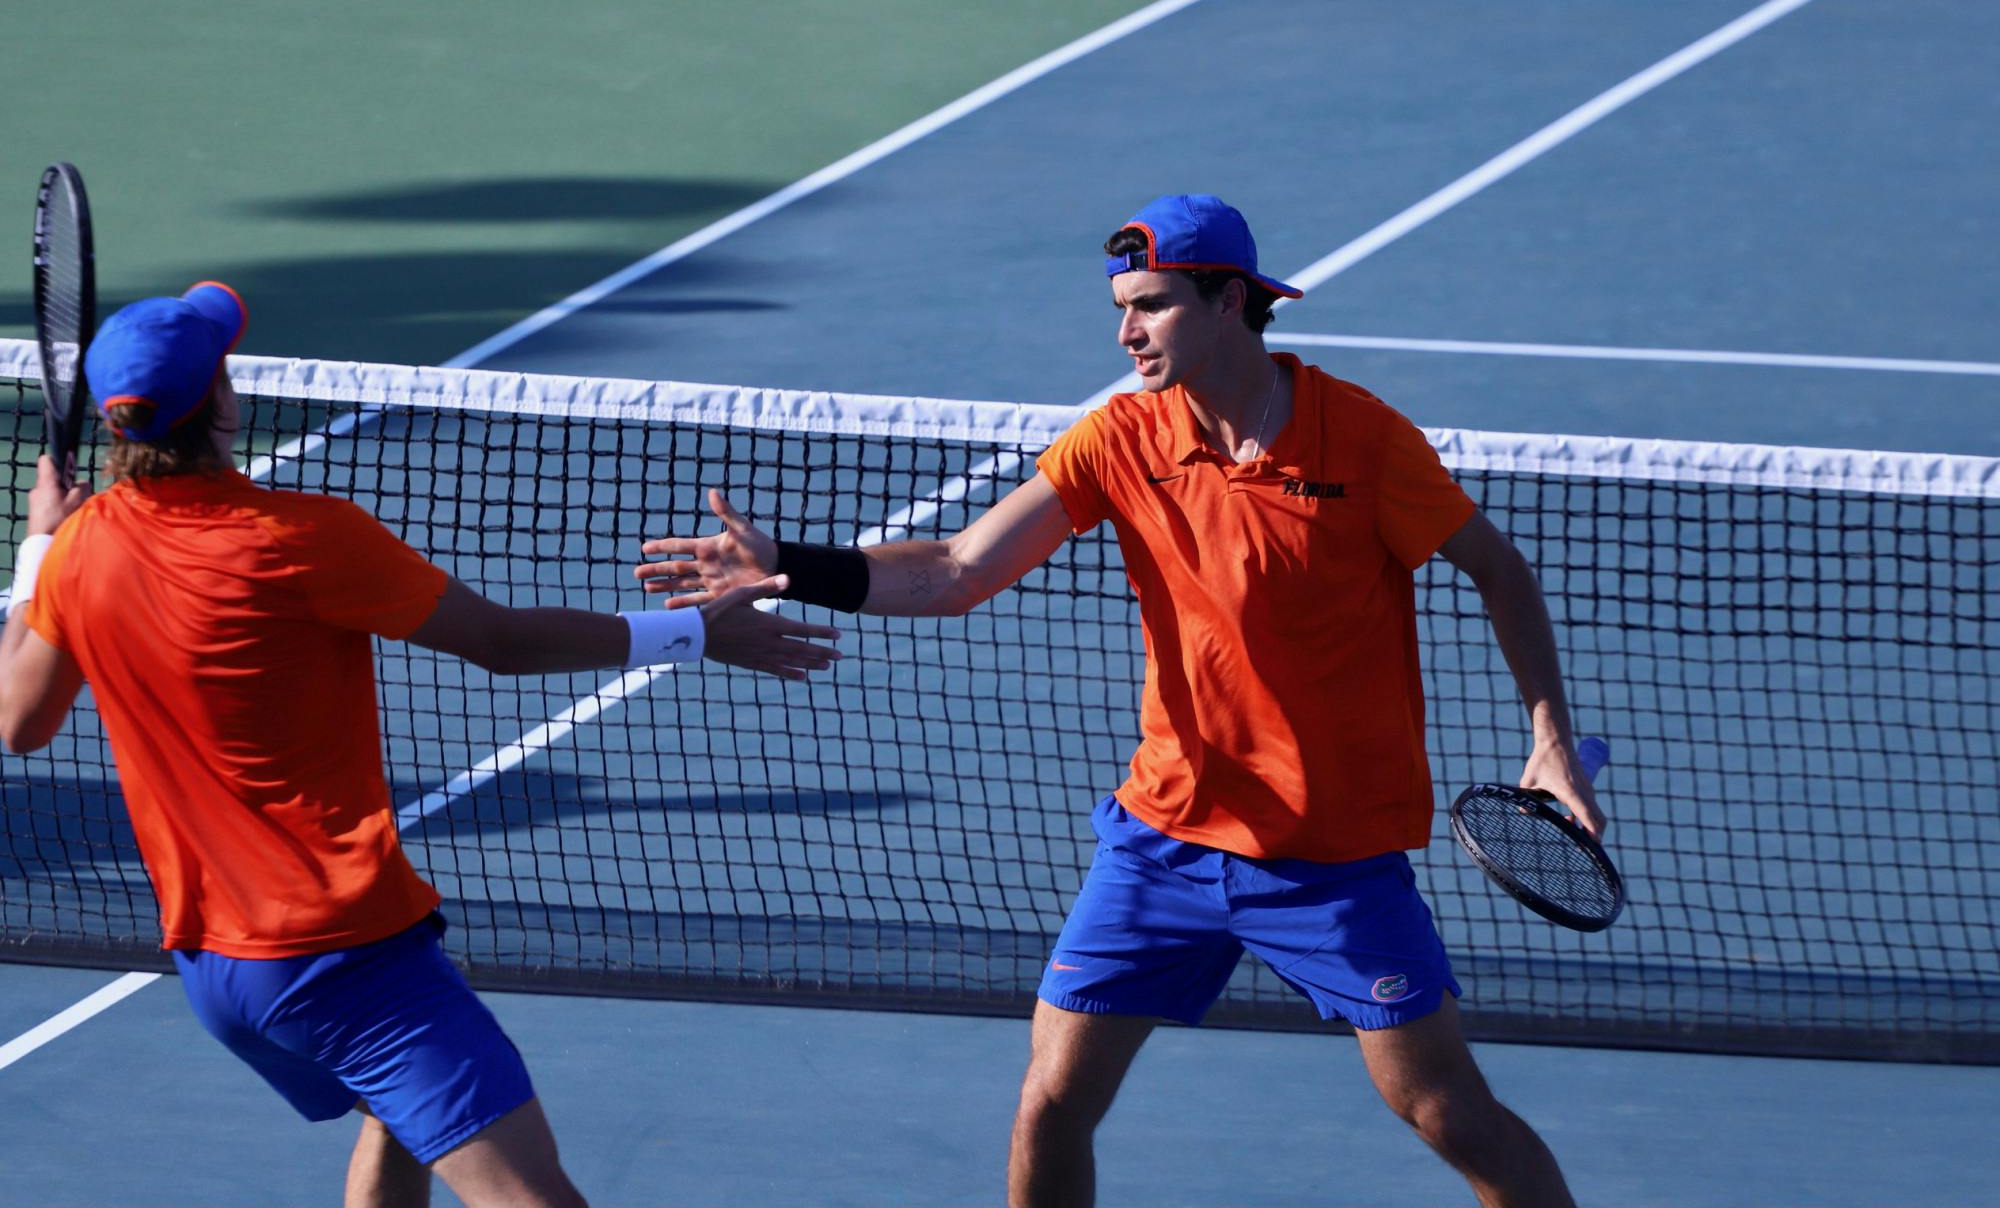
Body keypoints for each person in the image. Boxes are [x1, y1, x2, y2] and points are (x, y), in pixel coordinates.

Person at [637, 194, 1602, 1207]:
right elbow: (958, 569)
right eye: (1119, 308)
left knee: (1443, 1107)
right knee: (1050, 1101)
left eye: (1148, 305)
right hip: (1163, 839)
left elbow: (1497, 570)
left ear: (1227, 302)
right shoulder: (1121, 437)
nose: (1124, 331)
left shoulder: (1361, 442)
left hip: (1329, 857)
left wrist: (1547, 738)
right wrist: (788, 565)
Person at [0, 282, 843, 1208]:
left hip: (215, 963)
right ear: (223, 404)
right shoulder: (303, 539)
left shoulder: (83, 551)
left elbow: (18, 720)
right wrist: (694, 633)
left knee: (394, 1119)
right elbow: (502, 643)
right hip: (341, 956)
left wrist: (39, 547)